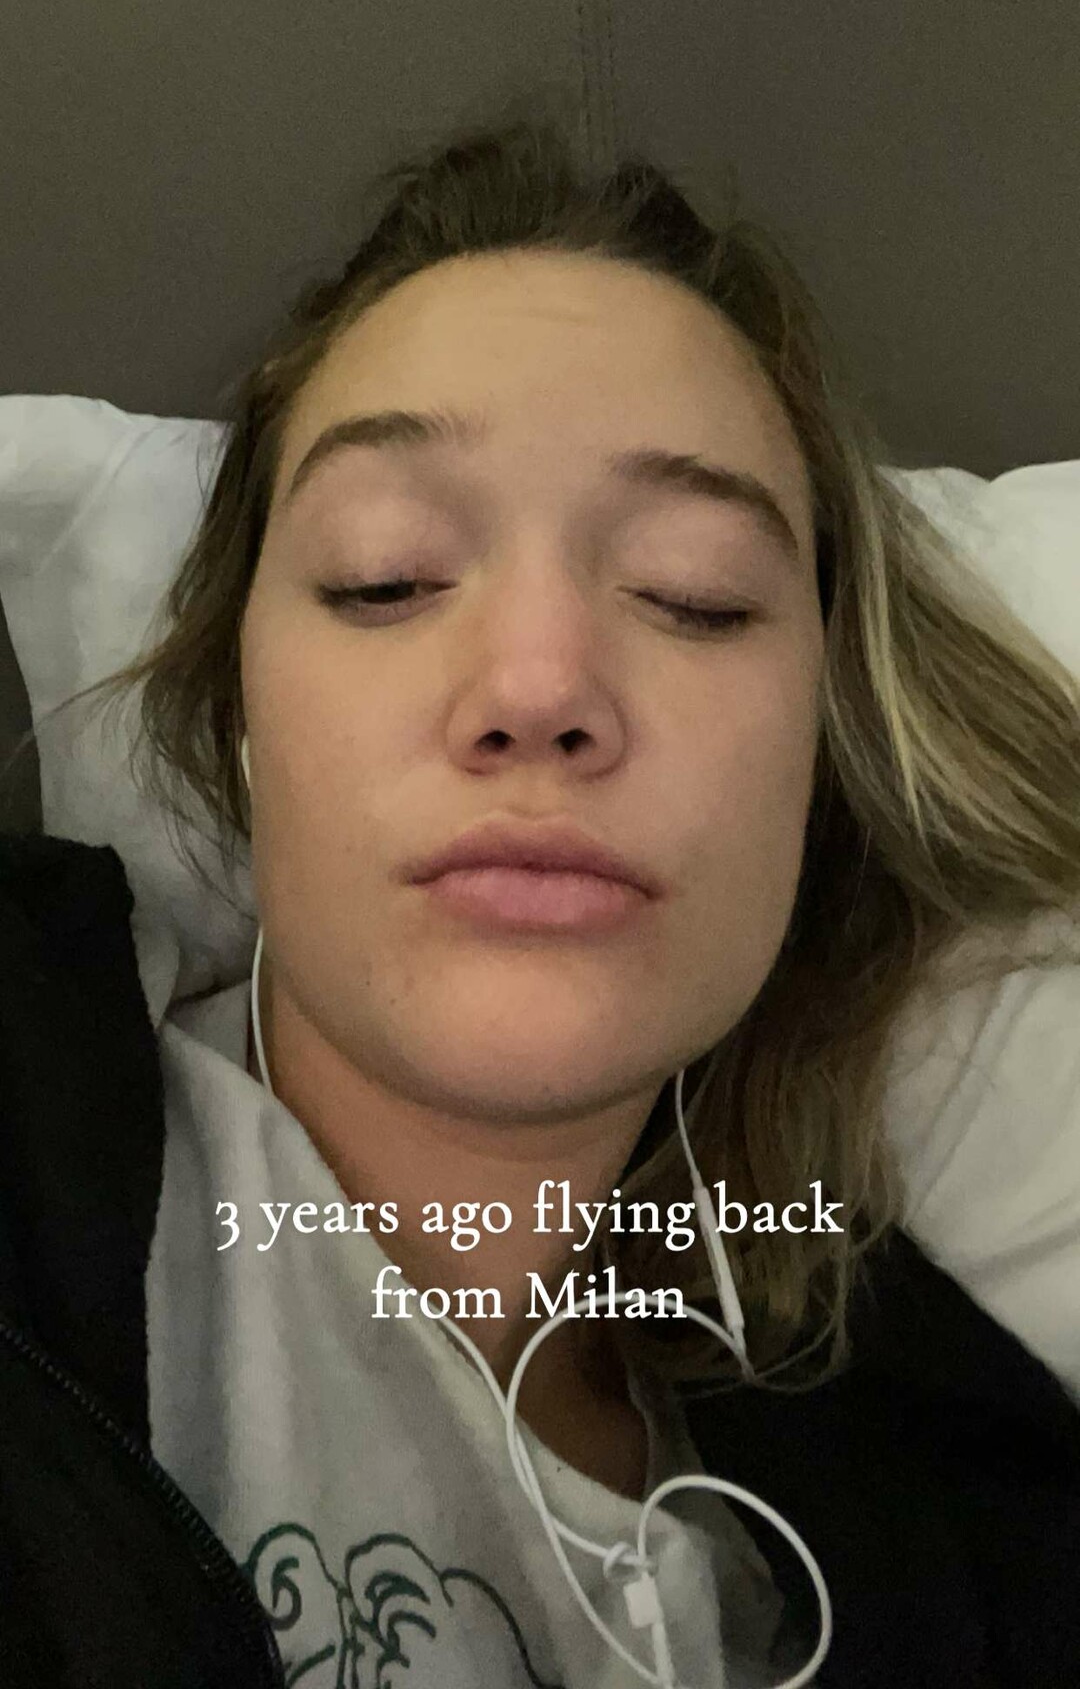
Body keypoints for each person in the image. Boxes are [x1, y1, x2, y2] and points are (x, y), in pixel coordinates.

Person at [2, 95, 1079, 1689]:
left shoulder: (977, 1515)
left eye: (694, 596)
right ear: (239, 729)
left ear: (818, 760)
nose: (537, 684)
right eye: (385, 576)